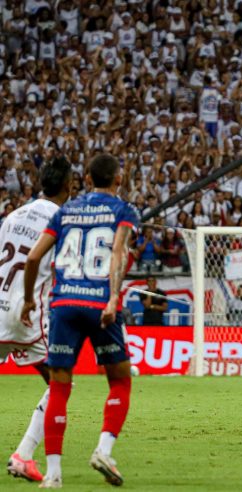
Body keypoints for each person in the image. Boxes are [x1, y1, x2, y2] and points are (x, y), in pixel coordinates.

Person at [21, 153, 139, 487]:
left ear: (86, 179)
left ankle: (53, 474)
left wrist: (30, 299)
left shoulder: (66, 210)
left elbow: (33, 257)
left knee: (59, 386)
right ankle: (103, 449)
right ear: (118, 179)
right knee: (119, 381)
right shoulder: (122, 210)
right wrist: (113, 298)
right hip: (99, 304)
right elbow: (117, 253)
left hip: (64, 304)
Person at [3, 158, 71, 483]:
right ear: (69, 186)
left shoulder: (13, 214)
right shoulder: (61, 219)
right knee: (59, 383)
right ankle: (24, 454)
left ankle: (24, 456)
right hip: (26, 314)